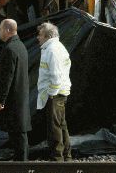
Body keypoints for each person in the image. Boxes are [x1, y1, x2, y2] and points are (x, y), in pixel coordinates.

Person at [0, 19, 32, 161]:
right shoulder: (20, 46)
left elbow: (6, 77)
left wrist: (0, 100)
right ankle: (22, 163)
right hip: (19, 97)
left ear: (8, 30)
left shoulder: (10, 49)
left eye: (1, 29)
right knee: (19, 133)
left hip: (13, 99)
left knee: (17, 134)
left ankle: (22, 165)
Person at [36, 22, 72, 162]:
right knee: (61, 125)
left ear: (47, 35)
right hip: (60, 93)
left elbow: (56, 76)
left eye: (39, 35)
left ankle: (57, 159)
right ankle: (66, 157)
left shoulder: (52, 50)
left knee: (54, 127)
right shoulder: (56, 47)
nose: (38, 38)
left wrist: (51, 94)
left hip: (55, 94)